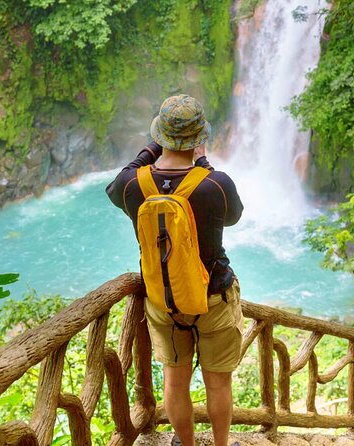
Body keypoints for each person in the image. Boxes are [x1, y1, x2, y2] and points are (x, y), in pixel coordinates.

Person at [106, 94, 244, 446]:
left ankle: (185, 443)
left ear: (160, 136)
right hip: (213, 296)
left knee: (174, 380)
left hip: (163, 300)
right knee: (218, 382)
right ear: (200, 138)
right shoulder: (216, 183)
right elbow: (233, 215)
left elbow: (116, 182)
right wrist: (204, 161)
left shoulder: (134, 184)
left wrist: (153, 148)